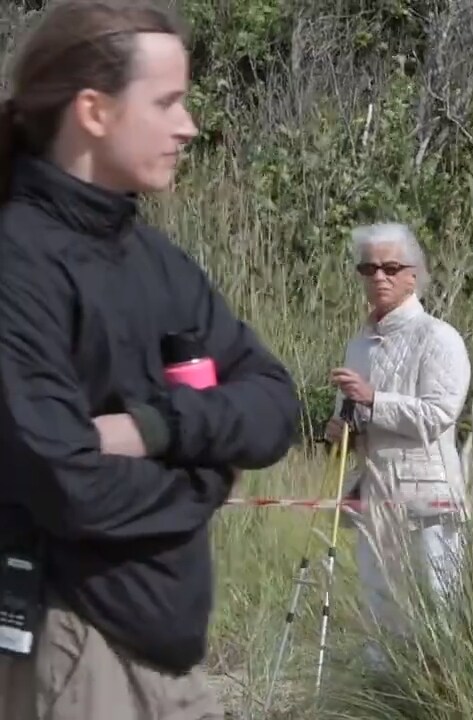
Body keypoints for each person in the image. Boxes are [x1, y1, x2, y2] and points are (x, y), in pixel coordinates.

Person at [0, 2, 299, 718]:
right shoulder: (20, 261)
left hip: (173, 664)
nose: (187, 125)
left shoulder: (158, 262)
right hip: (76, 651)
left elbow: (275, 403)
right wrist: (208, 479)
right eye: (166, 102)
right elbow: (66, 482)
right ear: (94, 111)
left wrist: (155, 429)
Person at [325, 223, 471, 666]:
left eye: (390, 268)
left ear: (414, 275)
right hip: (374, 495)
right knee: (381, 608)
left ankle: (441, 693)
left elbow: (439, 415)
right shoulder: (359, 345)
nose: (379, 277)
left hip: (429, 499)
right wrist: (342, 431)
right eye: (368, 268)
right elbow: (357, 415)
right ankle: (382, 692)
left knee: (436, 609)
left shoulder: (439, 337)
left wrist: (373, 400)